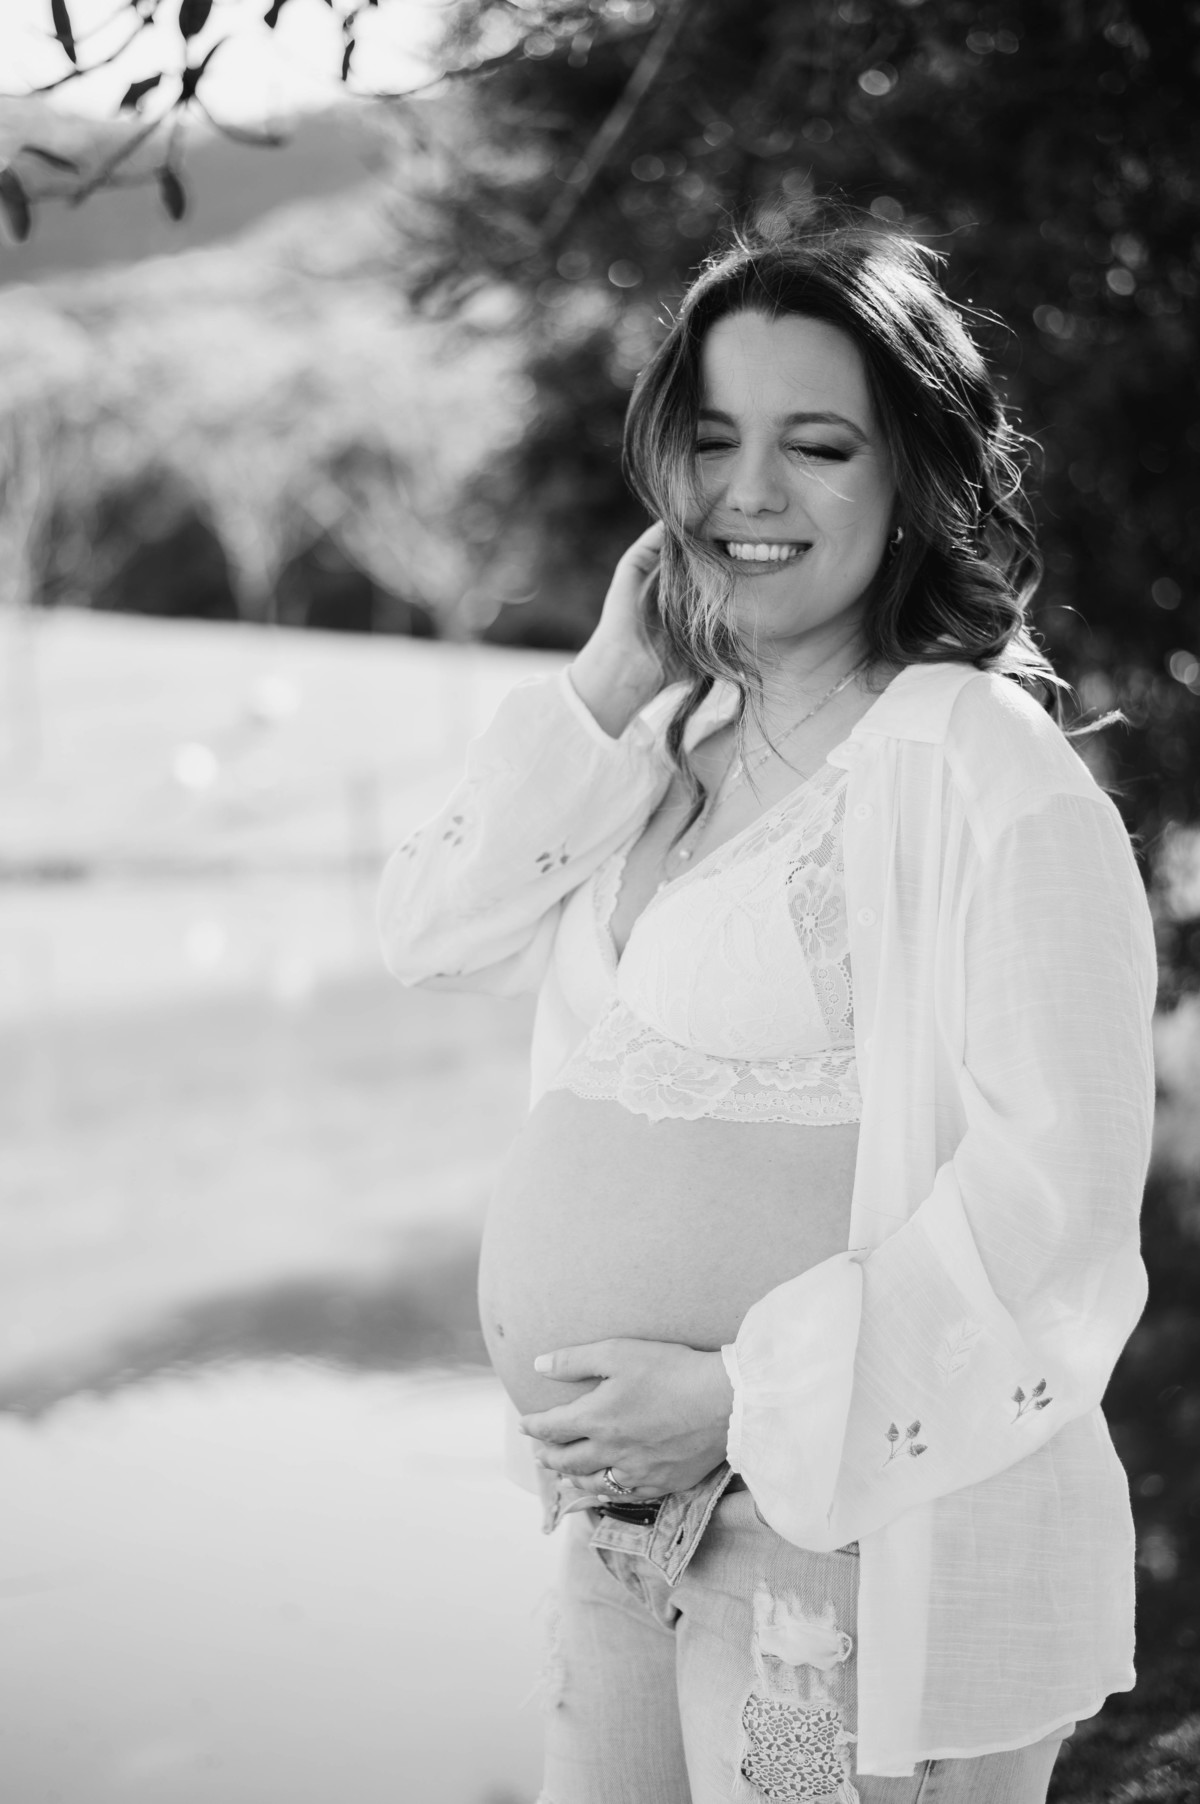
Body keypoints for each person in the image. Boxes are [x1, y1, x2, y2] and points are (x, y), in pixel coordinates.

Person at [377, 213, 1156, 1804]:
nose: (749, 491)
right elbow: (431, 933)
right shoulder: (665, 735)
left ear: (914, 478)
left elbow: (1058, 1206)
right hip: (614, 1530)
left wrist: (741, 1402)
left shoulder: (978, 770)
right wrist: (608, 676)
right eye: (714, 437)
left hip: (831, 1539)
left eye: (817, 445)